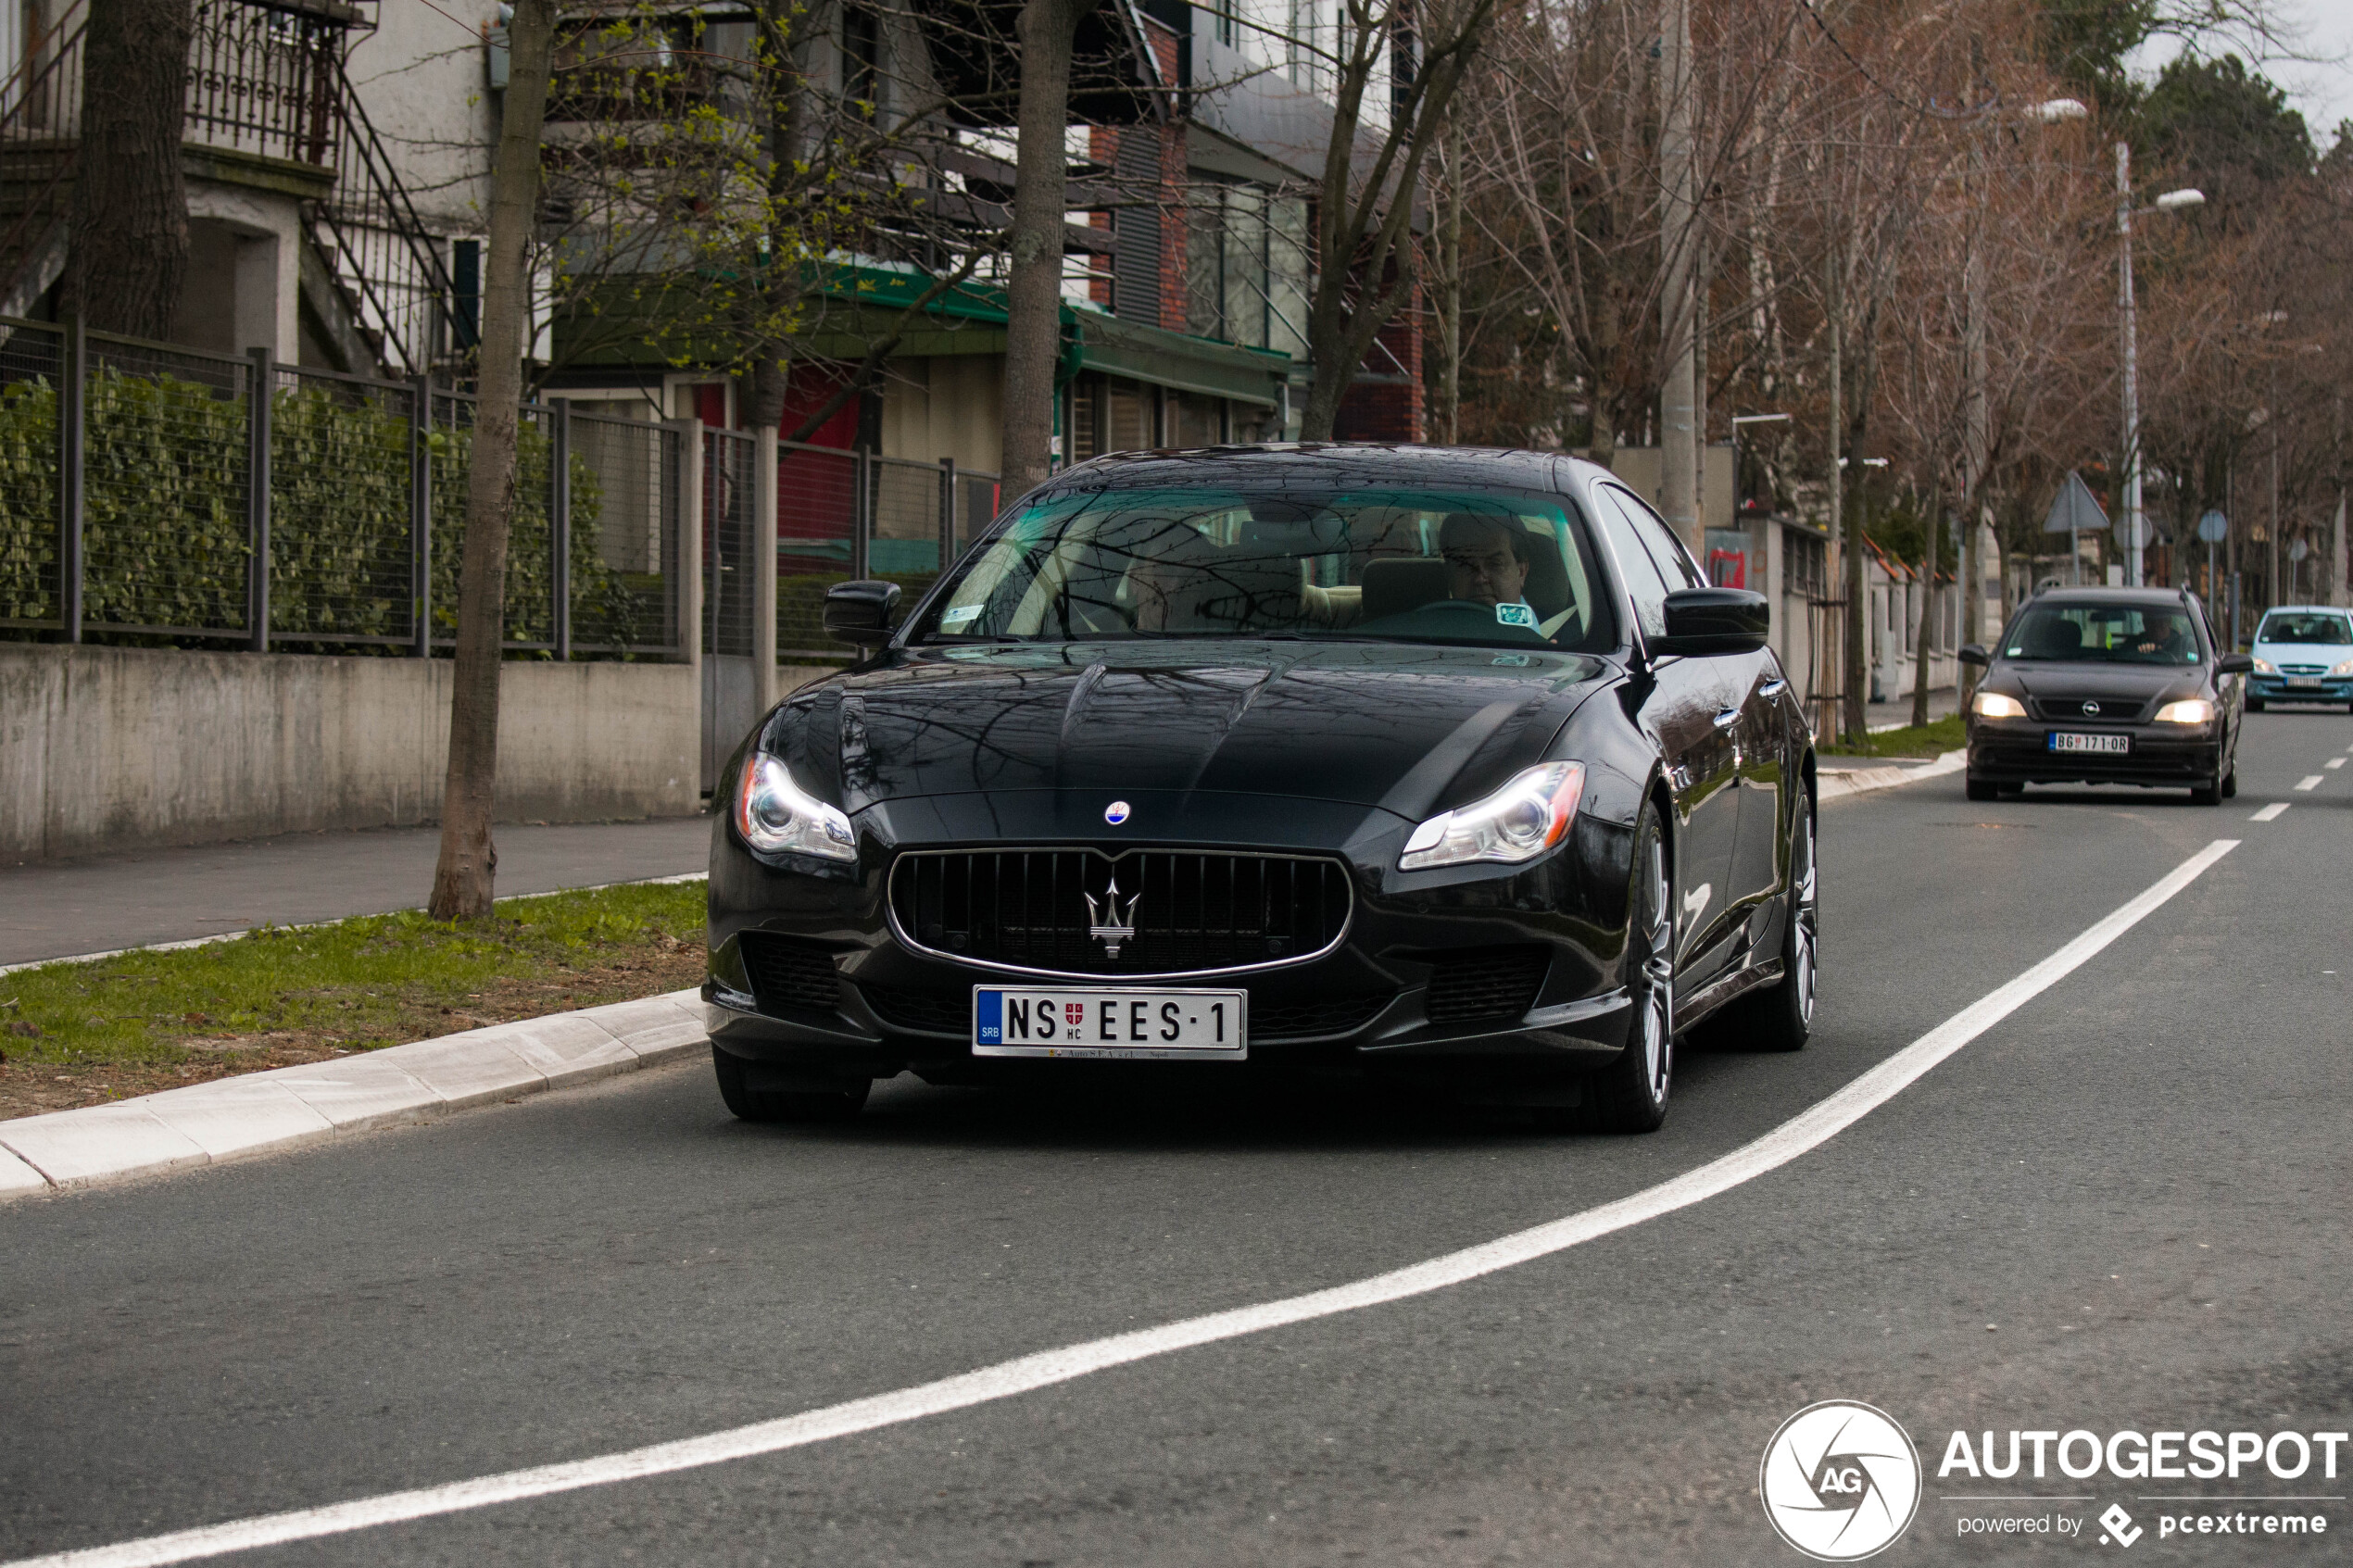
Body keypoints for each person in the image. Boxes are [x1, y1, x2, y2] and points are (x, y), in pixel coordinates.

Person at [1439, 512, 1533, 611]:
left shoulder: (1548, 626)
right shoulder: (1429, 625)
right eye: (1465, 565)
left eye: (1495, 564)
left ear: (1522, 572)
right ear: (1448, 574)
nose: (1480, 578)